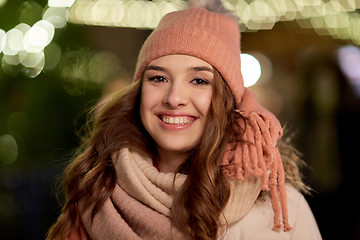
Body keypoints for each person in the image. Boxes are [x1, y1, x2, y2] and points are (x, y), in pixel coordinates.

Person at [47, 0, 322, 239]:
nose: (174, 97)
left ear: (228, 101)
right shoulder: (96, 192)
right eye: (158, 78)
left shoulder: (280, 211)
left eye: (199, 80)